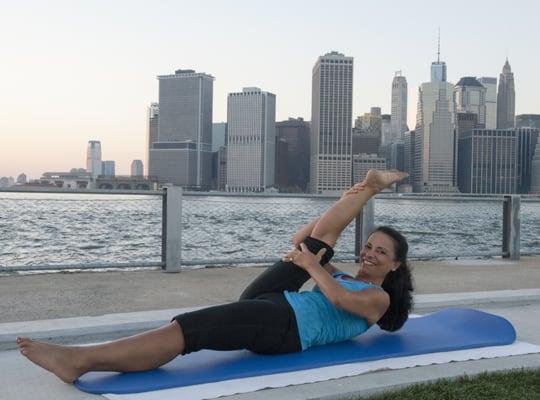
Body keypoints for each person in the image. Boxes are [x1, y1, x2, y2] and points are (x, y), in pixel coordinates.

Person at [16, 169, 413, 384]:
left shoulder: (379, 301)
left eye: (381, 251)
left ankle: (81, 361)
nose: (370, 253)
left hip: (286, 328)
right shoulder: (345, 276)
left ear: (395, 265)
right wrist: (342, 204)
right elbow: (303, 241)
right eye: (369, 246)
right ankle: (366, 189)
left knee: (189, 329)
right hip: (278, 302)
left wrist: (312, 265)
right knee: (316, 241)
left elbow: (340, 301)